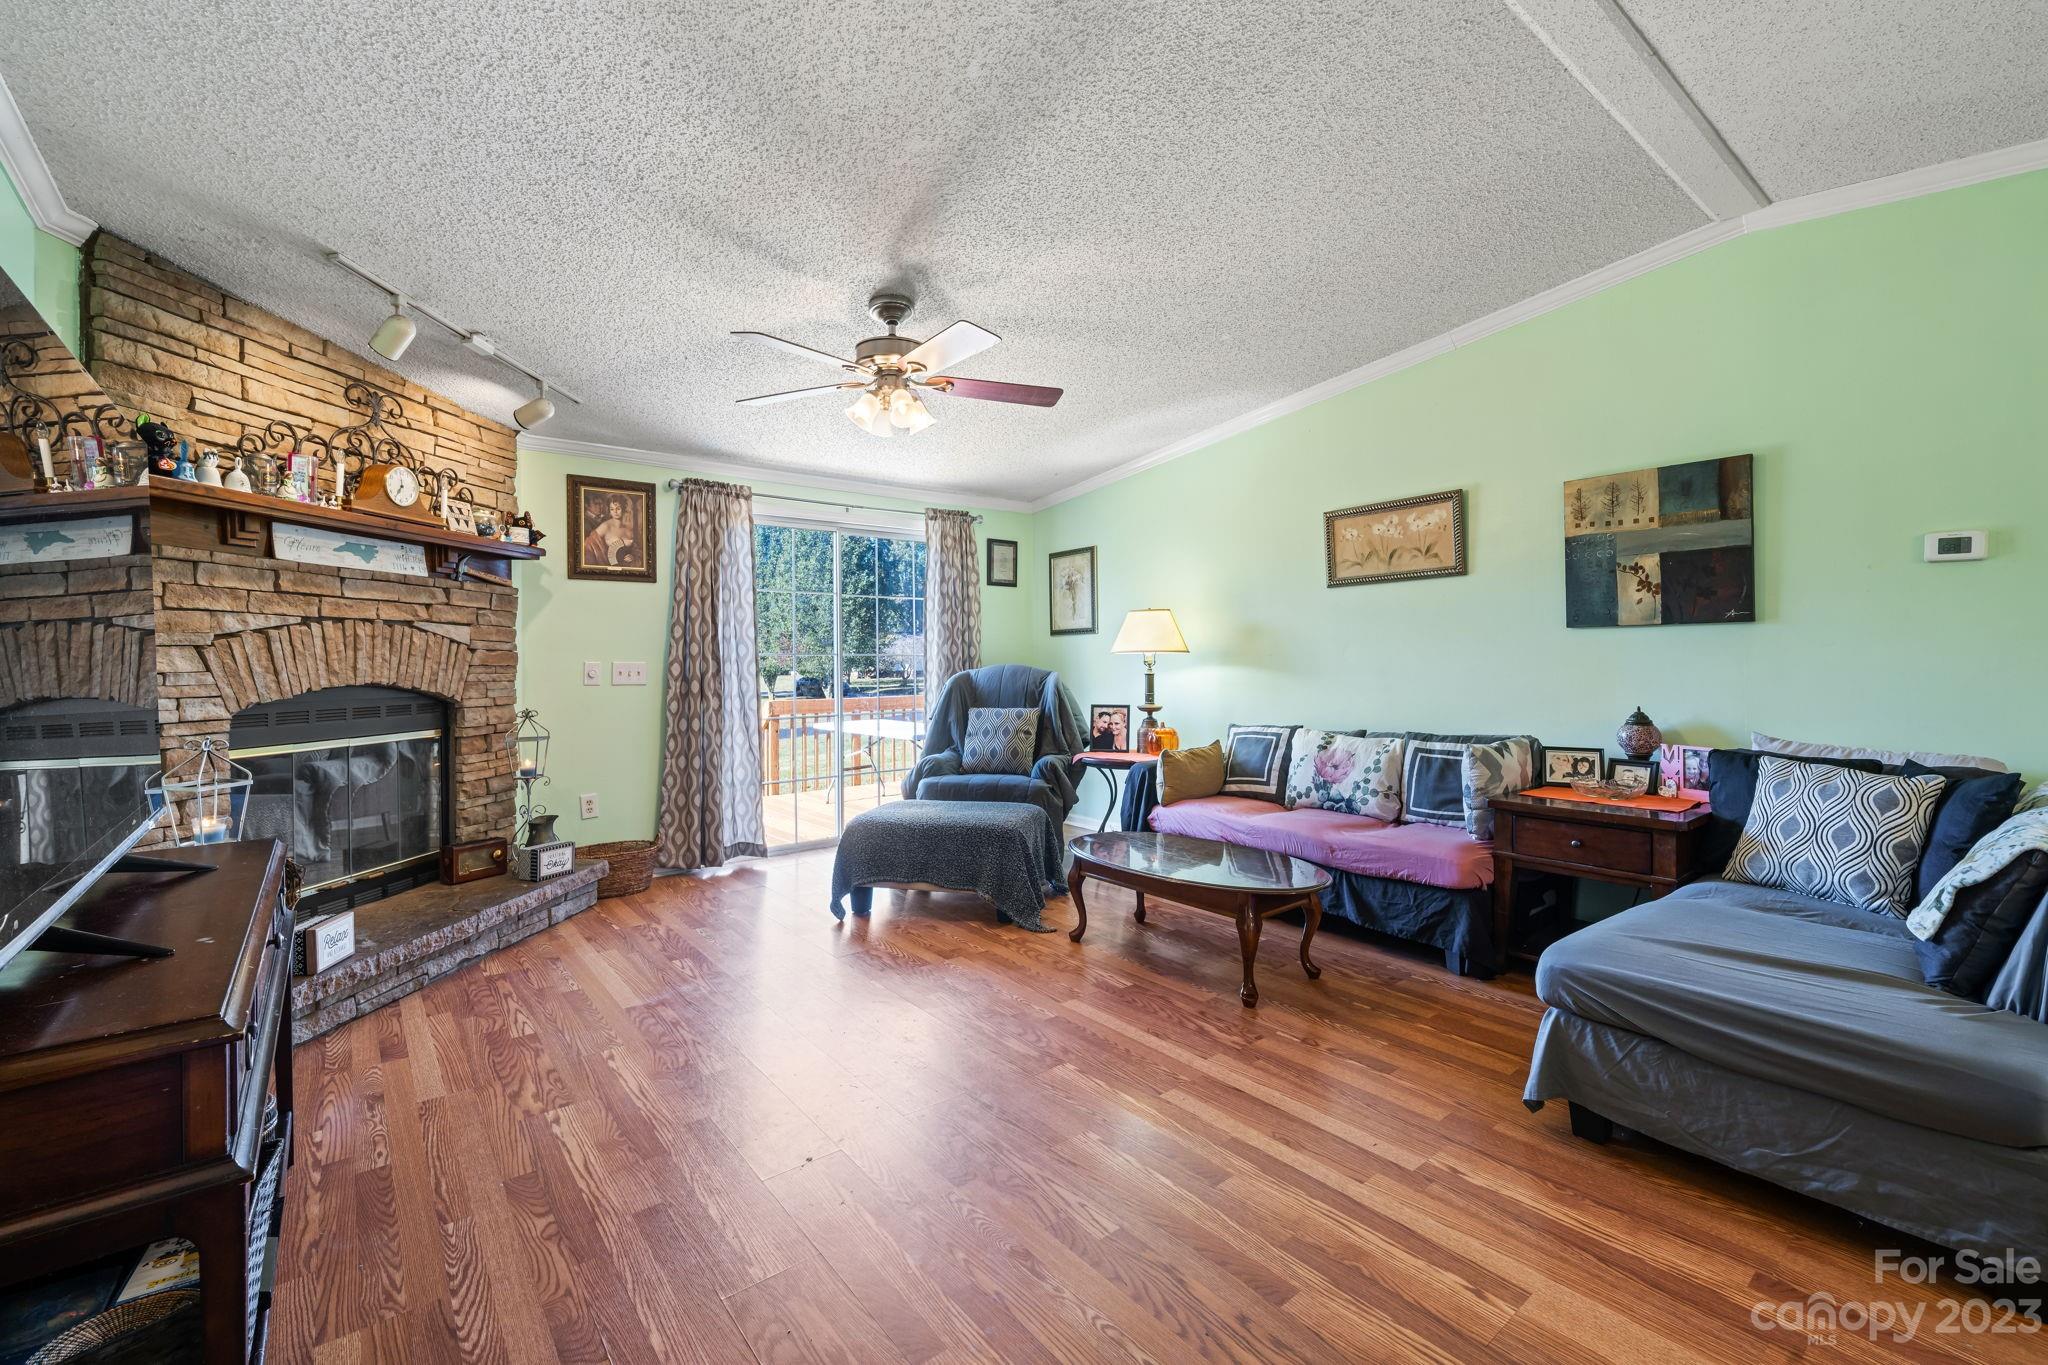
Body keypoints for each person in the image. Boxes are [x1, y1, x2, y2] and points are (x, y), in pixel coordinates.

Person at [583, 495, 637, 566]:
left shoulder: (628, 530)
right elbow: (588, 546)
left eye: (618, 508)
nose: (615, 512)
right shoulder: (605, 526)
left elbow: (636, 550)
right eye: (612, 509)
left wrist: (632, 556)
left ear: (623, 508)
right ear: (609, 511)